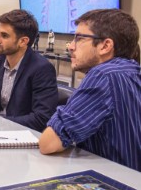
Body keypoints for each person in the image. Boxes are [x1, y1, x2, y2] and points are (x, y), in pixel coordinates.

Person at [40, 9, 141, 172]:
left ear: (105, 46)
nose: (71, 46)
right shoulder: (133, 71)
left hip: (114, 187)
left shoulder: (103, 75)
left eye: (79, 38)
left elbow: (48, 143)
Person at [0, 9, 58, 132]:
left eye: (4, 36)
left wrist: (2, 123)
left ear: (23, 41)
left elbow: (42, 118)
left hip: (24, 136)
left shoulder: (42, 69)